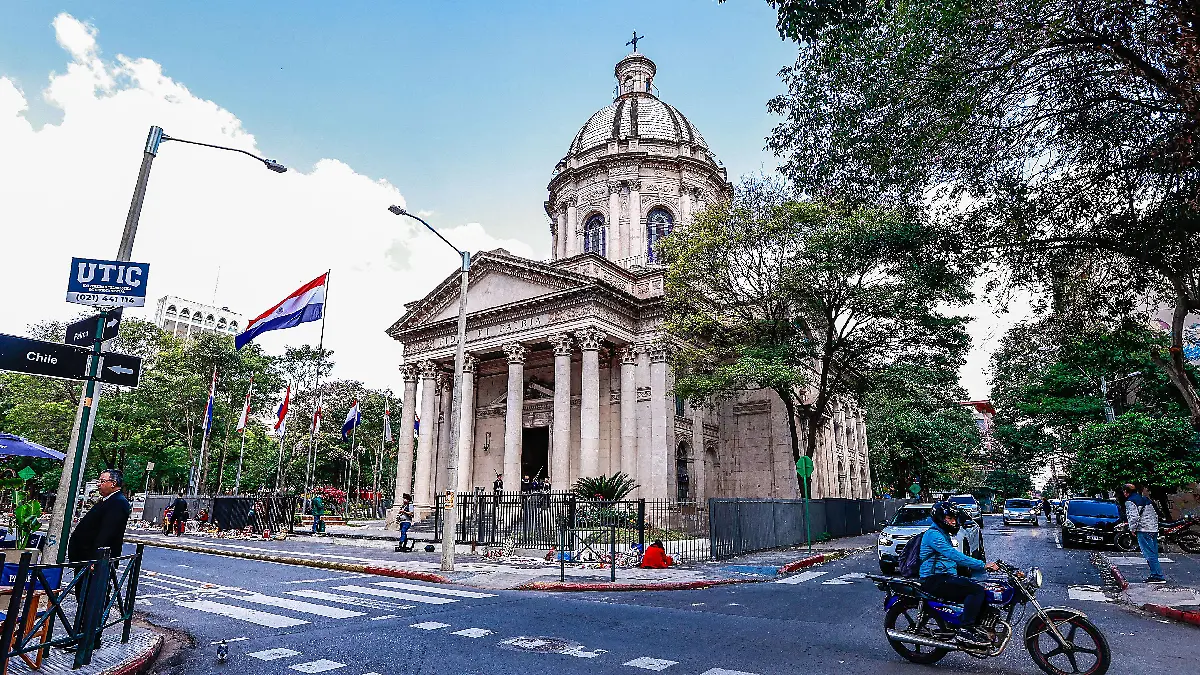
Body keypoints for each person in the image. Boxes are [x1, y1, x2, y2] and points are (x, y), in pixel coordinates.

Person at [918, 501, 1000, 646]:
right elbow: (954, 555)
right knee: (976, 591)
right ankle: (965, 630)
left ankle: (977, 626)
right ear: (940, 518)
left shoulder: (943, 534)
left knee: (982, 588)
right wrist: (983, 565)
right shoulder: (933, 535)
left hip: (945, 576)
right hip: (933, 579)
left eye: (955, 519)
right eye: (950, 518)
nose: (954, 522)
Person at [66, 469, 132, 650]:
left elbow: (107, 533)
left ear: (114, 483)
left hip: (97, 562)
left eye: (102, 481)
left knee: (94, 600)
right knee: (83, 598)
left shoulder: (118, 503)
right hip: (87, 560)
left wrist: (95, 560)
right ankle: (79, 635)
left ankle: (90, 640)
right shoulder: (108, 501)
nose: (99, 484)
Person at [1122, 483, 1165, 584]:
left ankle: (1157, 576)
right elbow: (1154, 513)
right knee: (1153, 553)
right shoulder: (1145, 499)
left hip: (1143, 529)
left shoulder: (1130, 501)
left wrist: (1132, 529)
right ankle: (1156, 574)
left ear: (1126, 492)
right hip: (1153, 529)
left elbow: (1134, 517)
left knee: (1149, 553)